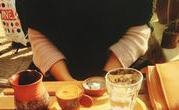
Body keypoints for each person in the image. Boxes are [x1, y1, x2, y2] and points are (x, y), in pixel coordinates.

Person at [22, 0, 154, 81]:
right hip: (56, 70)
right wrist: (67, 82)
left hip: (120, 67)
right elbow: (37, 31)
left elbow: (138, 30)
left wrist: (104, 78)